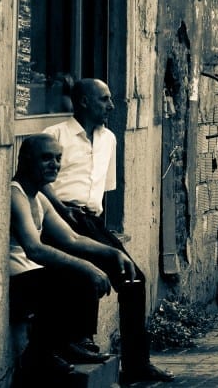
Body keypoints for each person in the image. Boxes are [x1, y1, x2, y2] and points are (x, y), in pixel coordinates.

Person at [42, 78, 174, 384]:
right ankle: (79, 341)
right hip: (59, 217)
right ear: (84, 101)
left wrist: (102, 229)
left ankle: (137, 364)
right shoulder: (55, 134)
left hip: (91, 220)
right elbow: (37, 180)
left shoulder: (109, 139)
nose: (111, 106)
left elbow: (104, 190)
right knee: (87, 274)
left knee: (134, 278)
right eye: (104, 99)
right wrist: (61, 212)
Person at [10, 134, 135, 382]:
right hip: (16, 281)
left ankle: (74, 342)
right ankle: (42, 355)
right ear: (25, 160)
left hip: (31, 275)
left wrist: (114, 252)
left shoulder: (40, 198)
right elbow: (34, 249)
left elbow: (72, 239)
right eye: (46, 158)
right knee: (78, 275)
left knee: (87, 270)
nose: (54, 165)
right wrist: (87, 267)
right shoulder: (15, 195)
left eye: (58, 159)